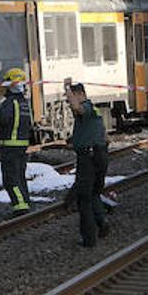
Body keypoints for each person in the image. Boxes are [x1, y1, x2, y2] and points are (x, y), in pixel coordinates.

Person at [66, 82, 109, 247]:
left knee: (83, 199)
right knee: (94, 193)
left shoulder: (87, 107)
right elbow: (106, 137)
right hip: (99, 155)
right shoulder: (94, 112)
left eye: (72, 98)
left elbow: (77, 108)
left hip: (89, 157)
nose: (70, 103)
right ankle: (102, 222)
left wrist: (67, 89)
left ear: (80, 94)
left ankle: (89, 239)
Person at [0, 68, 33, 215]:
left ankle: (20, 207)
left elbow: (2, 120)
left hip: (10, 147)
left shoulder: (9, 103)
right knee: (20, 177)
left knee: (10, 179)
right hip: (21, 146)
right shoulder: (25, 103)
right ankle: (25, 202)